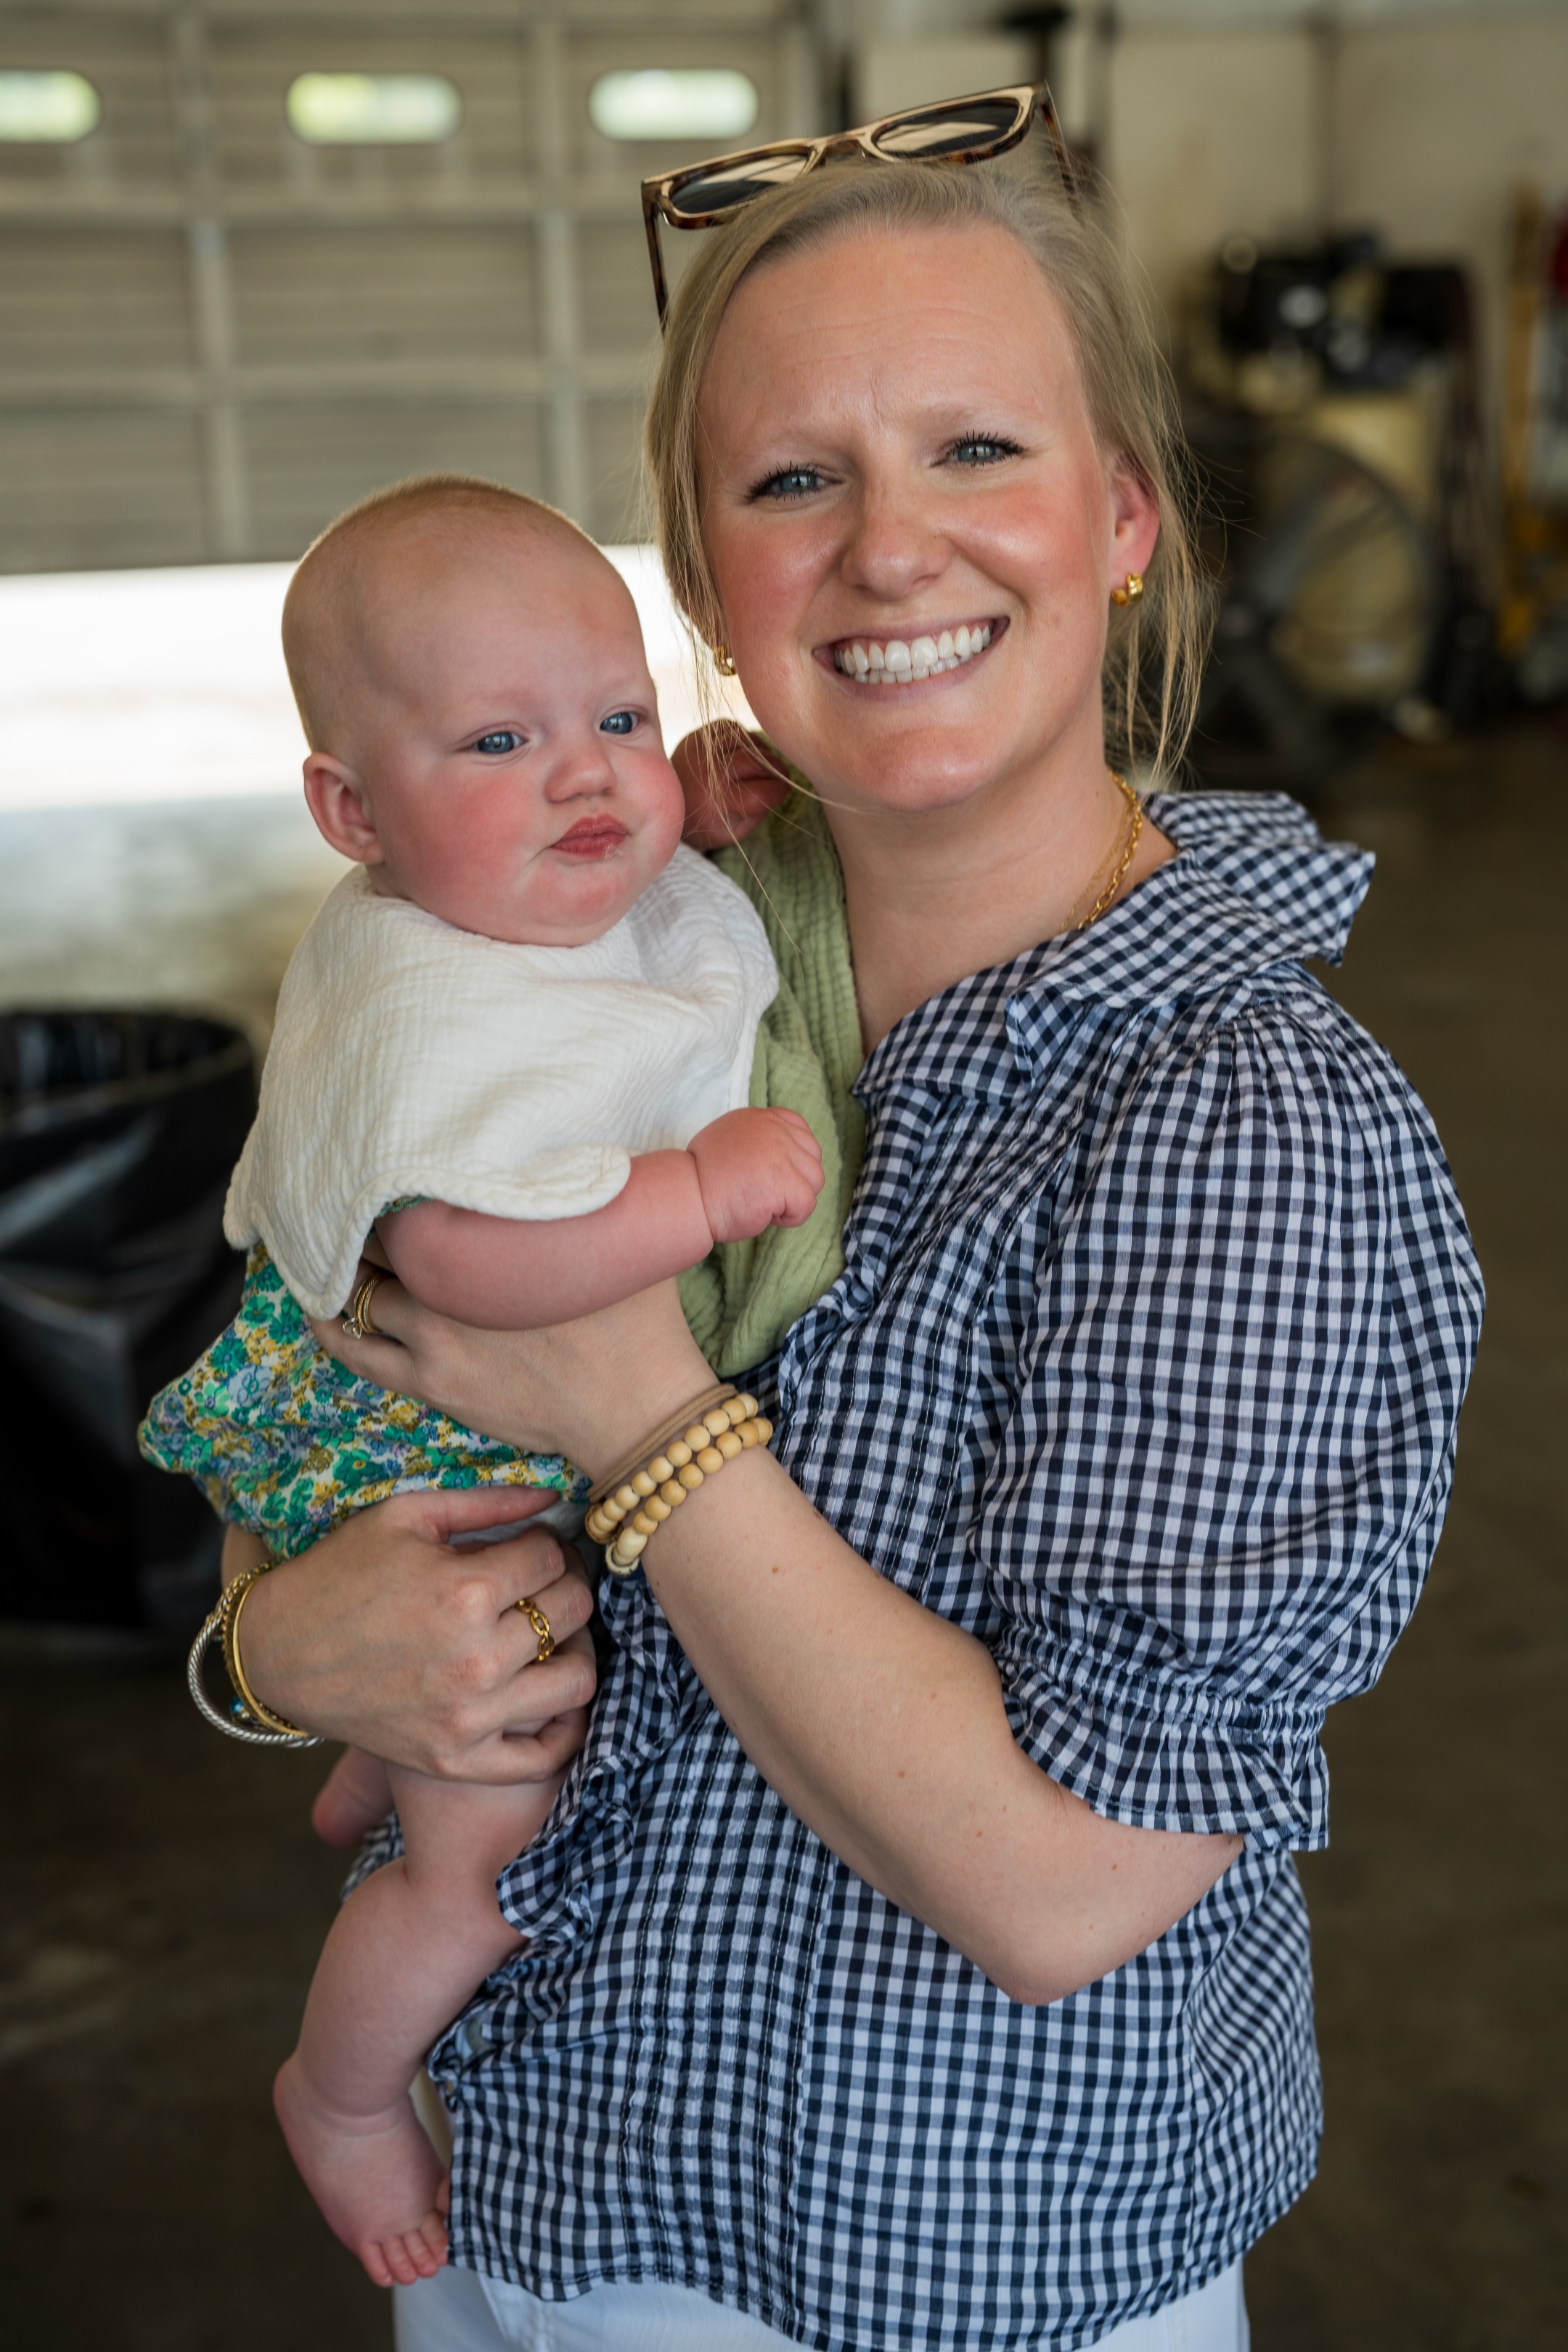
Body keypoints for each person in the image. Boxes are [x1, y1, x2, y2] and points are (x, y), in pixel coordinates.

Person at [222, 101, 1482, 2352]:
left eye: (977, 450)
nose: (891, 552)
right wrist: (270, 1635)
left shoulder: (1251, 1126)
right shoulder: (596, 942)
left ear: (1120, 523)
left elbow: (1058, 1885)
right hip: (518, 2195)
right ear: (702, 584)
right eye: (794, 479)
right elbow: (327, 1342)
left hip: (919, 2279)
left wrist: (631, 1398)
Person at [143, 475, 834, 2287]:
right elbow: (458, 1262)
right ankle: (346, 2089)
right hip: (408, 1465)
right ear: (350, 812)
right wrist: (690, 1191)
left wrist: (706, 814)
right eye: (502, 738)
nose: (591, 777)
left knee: (448, 1762)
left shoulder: (529, 891)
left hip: (413, 1467)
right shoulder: (433, 1006)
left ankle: (371, 1772)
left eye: (617, 718)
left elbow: (634, 882)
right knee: (486, 1851)